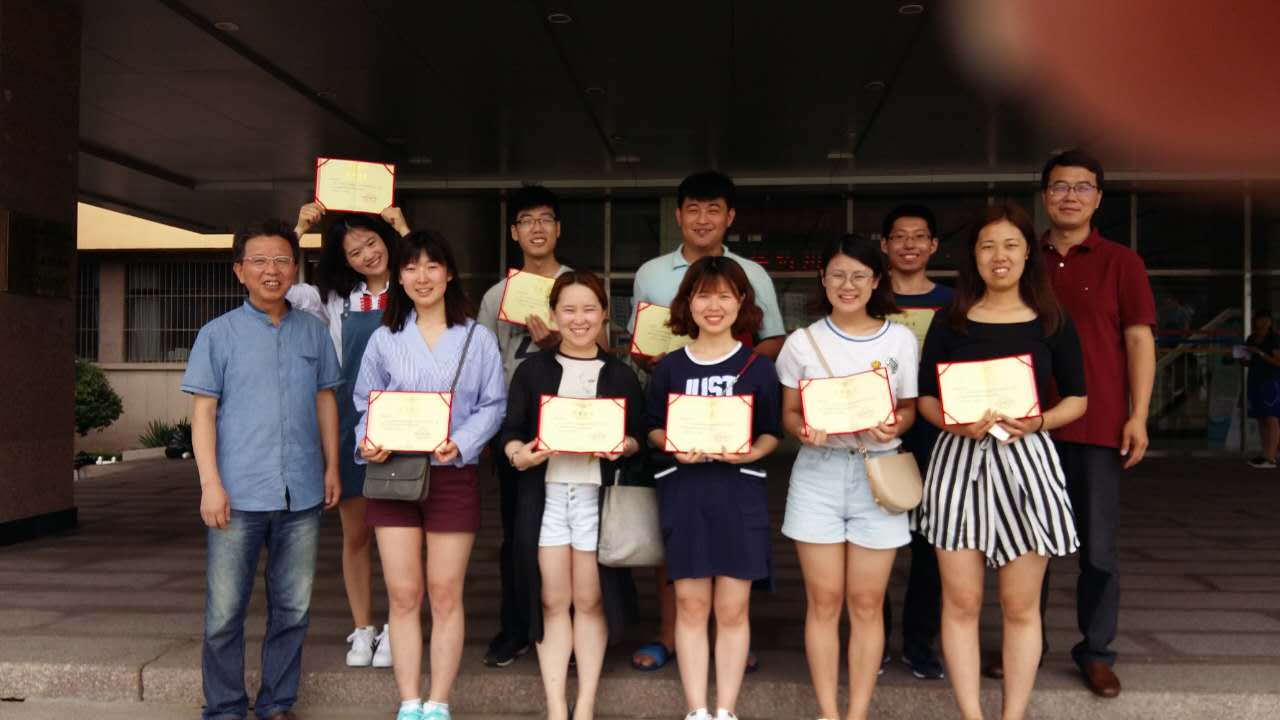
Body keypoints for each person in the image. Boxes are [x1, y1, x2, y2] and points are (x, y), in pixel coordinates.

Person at [915, 201, 1087, 720]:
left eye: (1011, 244)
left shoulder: (1052, 320)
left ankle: (1013, 715)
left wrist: (1038, 422)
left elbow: (1078, 399)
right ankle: (971, 714)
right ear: (973, 255)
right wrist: (953, 423)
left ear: (1028, 253)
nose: (999, 256)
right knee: (961, 604)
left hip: (1027, 463)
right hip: (958, 463)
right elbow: (927, 399)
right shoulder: (950, 321)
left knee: (1020, 606)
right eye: (987, 245)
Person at [182, 220, 342, 720]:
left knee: (292, 608)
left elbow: (325, 401)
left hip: (302, 493)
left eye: (281, 260)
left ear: (295, 268)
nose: (271, 270)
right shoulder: (217, 335)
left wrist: (333, 468)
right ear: (239, 271)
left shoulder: (313, 331)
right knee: (224, 613)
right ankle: (225, 706)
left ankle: (277, 703)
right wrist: (210, 484)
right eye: (259, 261)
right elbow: (203, 414)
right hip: (238, 494)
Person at [628, 170, 786, 673]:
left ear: (730, 216)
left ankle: (731, 641)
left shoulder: (753, 273)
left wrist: (735, 369)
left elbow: (773, 338)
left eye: (713, 209)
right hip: (680, 424)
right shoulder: (650, 273)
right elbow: (639, 341)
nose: (702, 219)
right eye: (693, 209)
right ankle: (670, 633)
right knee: (678, 543)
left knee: (734, 550)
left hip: (732, 429)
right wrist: (664, 363)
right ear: (678, 215)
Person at [1017, 149, 1156, 698]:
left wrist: (1138, 415)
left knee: (1098, 549)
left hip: (1099, 425)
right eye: (1059, 186)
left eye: (1081, 187)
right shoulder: (1023, 259)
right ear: (1044, 196)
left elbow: (1138, 339)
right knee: (1028, 546)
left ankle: (1096, 651)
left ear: (1098, 198)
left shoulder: (1122, 262)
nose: (1069, 196)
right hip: (1027, 427)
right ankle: (1026, 646)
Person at [353, 231, 506, 720]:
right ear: (399, 277)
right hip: (394, 474)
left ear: (449, 273)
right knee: (402, 595)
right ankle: (408, 701)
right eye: (411, 267)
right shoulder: (384, 338)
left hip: (451, 473)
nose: (422, 277)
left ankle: (438, 701)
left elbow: (493, 404)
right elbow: (365, 402)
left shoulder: (477, 338)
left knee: (444, 593)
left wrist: (462, 441)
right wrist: (368, 440)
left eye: (432, 266)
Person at [775, 234, 918, 720]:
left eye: (859, 275)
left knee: (866, 602)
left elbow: (908, 408)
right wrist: (803, 430)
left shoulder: (899, 340)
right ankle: (828, 713)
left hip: (878, 474)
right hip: (818, 474)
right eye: (837, 274)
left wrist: (896, 425)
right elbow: (790, 413)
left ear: (877, 281)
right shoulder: (802, 342)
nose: (848, 284)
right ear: (823, 278)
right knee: (823, 601)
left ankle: (856, 713)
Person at [500, 271, 644, 720]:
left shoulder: (621, 374)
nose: (579, 319)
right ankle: (555, 707)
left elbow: (639, 438)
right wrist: (518, 454)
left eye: (589, 310)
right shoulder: (532, 371)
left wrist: (626, 446)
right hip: (546, 496)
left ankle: (584, 705)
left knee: (591, 600)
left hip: (595, 499)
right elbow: (511, 431)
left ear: (604, 314)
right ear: (553, 315)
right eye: (569, 310)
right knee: (551, 600)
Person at [645, 256, 783, 720]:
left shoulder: (758, 368)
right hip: (686, 495)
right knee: (690, 604)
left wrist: (752, 453)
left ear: (741, 301)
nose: (714, 305)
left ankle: (725, 709)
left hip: (739, 496)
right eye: (704, 295)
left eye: (724, 295)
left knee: (733, 608)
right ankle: (697, 710)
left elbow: (771, 432)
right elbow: (651, 426)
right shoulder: (670, 368)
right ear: (688, 302)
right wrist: (671, 444)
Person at [288, 204, 411, 669]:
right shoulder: (335, 301)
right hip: (351, 422)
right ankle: (363, 628)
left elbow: (430, 267)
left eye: (372, 242)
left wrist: (403, 227)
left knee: (400, 534)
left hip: (406, 423)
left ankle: (398, 627)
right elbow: (283, 286)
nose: (367, 254)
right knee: (356, 534)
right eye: (354, 252)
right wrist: (299, 229)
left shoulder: (412, 287)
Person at [476, 185, 578, 668]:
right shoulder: (497, 295)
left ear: (558, 229)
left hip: (574, 429)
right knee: (517, 532)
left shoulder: (576, 288)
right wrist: (488, 433)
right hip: (515, 429)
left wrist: (561, 342)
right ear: (514, 233)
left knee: (573, 533)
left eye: (545, 219)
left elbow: (604, 352)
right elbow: (483, 364)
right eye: (526, 220)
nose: (537, 228)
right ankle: (516, 627)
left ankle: (570, 631)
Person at [879, 203, 953, 680]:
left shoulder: (954, 302)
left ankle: (919, 642)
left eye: (919, 236)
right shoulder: (869, 297)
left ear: (933, 245)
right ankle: (875, 639)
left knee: (931, 542)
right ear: (885, 245)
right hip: (879, 430)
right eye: (900, 236)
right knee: (875, 540)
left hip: (938, 433)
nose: (909, 244)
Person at [1244, 309, 1280, 467]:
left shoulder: (1274, 338)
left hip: (1270, 381)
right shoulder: (1251, 338)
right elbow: (1248, 360)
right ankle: (1265, 454)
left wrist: (1260, 353)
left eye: (1266, 320)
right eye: (1260, 320)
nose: (1263, 323)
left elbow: (1278, 362)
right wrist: (1242, 357)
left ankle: (1271, 457)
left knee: (1271, 417)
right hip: (1254, 379)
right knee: (1261, 418)